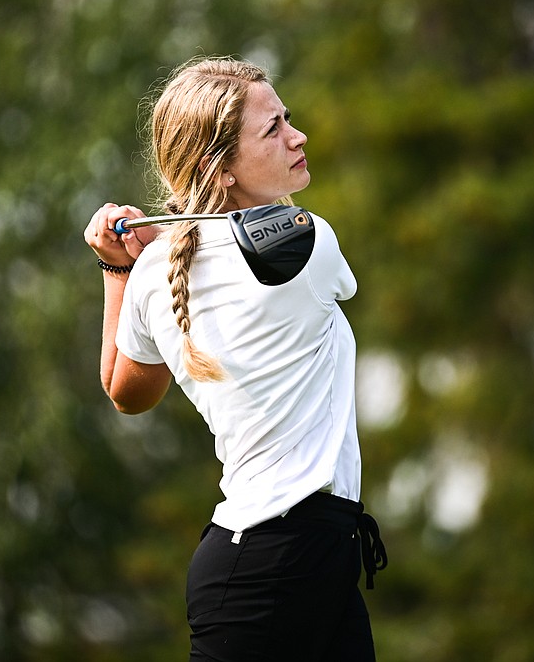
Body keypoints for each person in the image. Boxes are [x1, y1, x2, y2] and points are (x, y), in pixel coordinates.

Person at [83, 57, 386, 661]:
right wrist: (142, 260)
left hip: (309, 555)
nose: (296, 137)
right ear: (217, 167)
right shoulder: (312, 242)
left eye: (287, 120)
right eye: (272, 129)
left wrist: (118, 269)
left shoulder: (152, 272)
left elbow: (125, 390)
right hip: (273, 562)